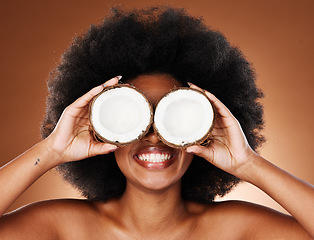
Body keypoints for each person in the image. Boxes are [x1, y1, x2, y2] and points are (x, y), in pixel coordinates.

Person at [0, 6, 313, 239]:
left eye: (174, 118)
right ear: (103, 128)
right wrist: (53, 149)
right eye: (132, 116)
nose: (154, 136)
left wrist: (248, 164)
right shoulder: (64, 227)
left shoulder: (234, 229)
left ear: (203, 132)